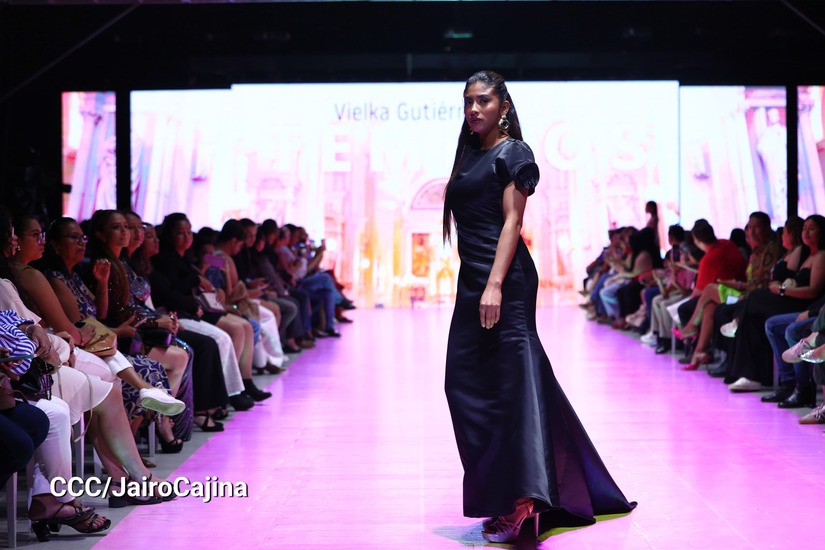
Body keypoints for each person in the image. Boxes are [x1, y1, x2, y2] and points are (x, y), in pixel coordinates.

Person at [442, 70, 636, 544]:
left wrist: (494, 285)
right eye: (468, 101)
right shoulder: (468, 152)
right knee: (464, 383)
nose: (474, 109)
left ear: (504, 106)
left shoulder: (514, 153)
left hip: (504, 280)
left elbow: (513, 222)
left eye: (483, 101)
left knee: (517, 380)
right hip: (473, 281)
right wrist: (479, 284)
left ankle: (525, 500)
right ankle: (522, 488)